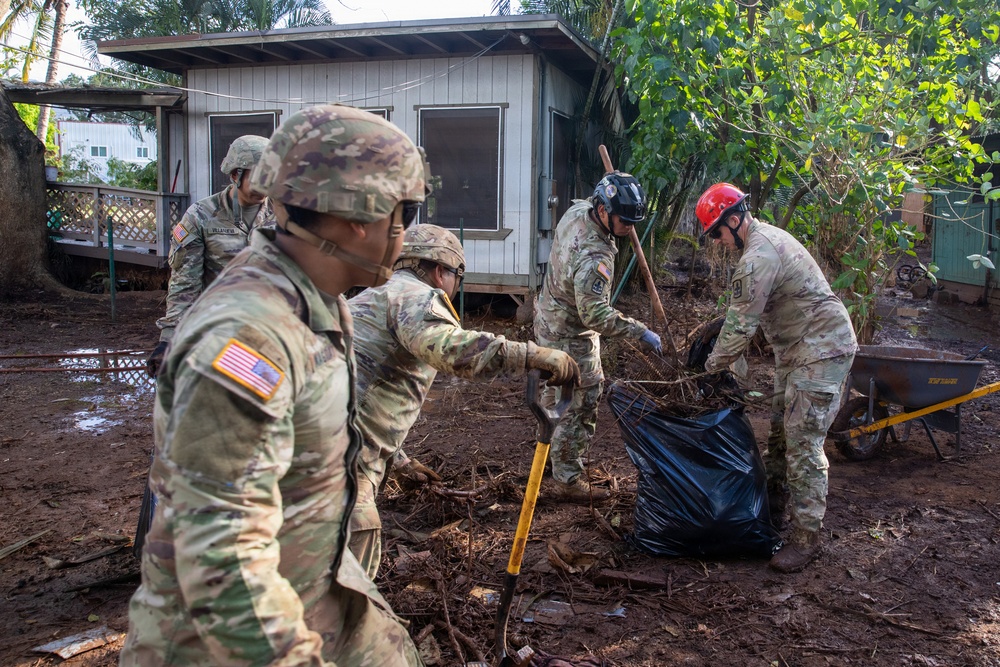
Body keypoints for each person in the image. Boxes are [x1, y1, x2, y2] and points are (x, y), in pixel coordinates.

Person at [121, 105, 430, 666]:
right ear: (360, 214)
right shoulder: (250, 339)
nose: (403, 230)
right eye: (404, 210)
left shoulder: (320, 300)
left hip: (314, 587)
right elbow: (222, 561)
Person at [347, 223, 581, 578]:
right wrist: (532, 355)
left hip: (306, 441)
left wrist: (400, 461)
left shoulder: (370, 297)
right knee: (350, 560)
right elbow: (450, 349)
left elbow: (359, 385)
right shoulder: (416, 297)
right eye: (457, 274)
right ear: (441, 272)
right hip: (338, 462)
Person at [696, 182, 858, 574]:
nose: (718, 242)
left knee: (803, 444)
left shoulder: (758, 256)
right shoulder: (763, 242)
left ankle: (806, 540)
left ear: (734, 220)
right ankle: (771, 513)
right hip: (798, 350)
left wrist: (708, 370)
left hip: (821, 350)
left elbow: (738, 327)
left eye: (717, 232)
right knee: (781, 438)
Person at [534, 171, 662, 503]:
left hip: (547, 318)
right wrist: (640, 331)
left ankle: (551, 459)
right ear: (603, 210)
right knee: (582, 401)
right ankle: (568, 478)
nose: (630, 228)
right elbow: (595, 315)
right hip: (571, 334)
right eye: (625, 220)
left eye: (635, 220)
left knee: (553, 395)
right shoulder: (595, 257)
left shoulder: (577, 211)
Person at [146, 134, 276, 377]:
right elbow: (185, 284)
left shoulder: (284, 215)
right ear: (236, 175)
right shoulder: (201, 216)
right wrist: (169, 339)